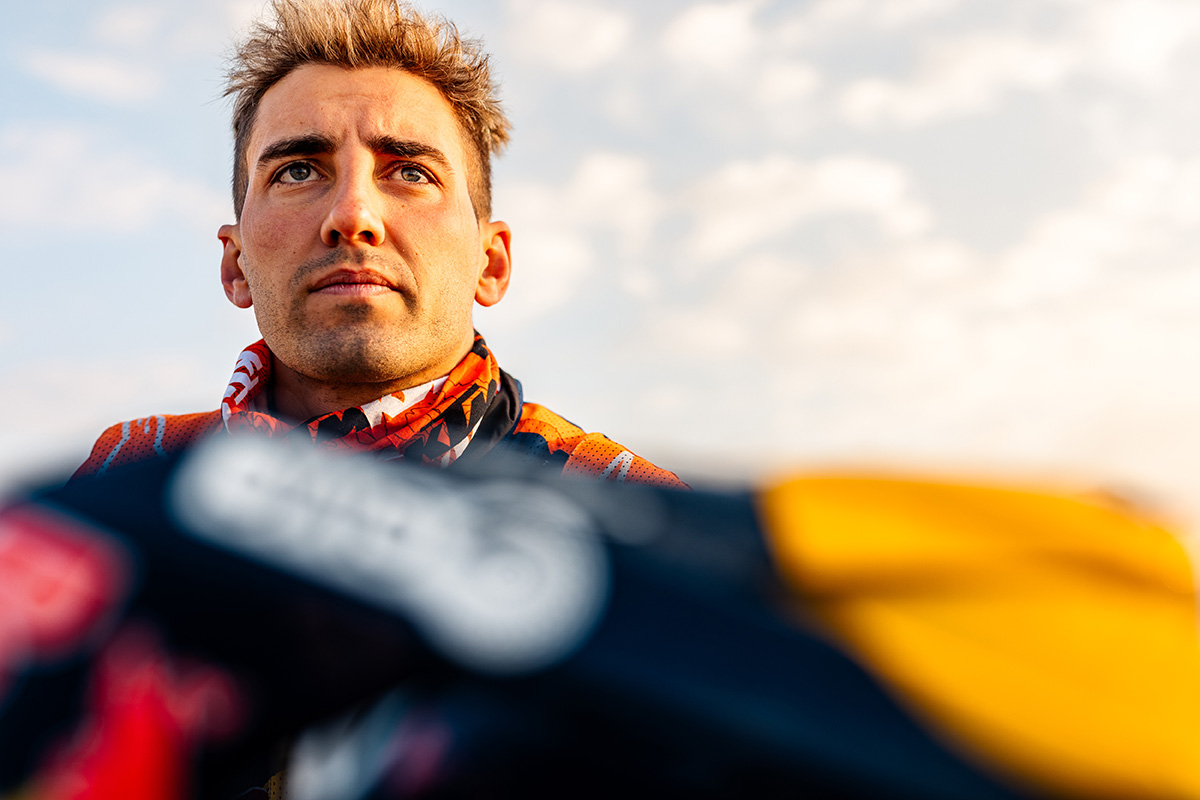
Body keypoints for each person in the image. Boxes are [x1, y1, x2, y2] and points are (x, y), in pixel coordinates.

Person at [73, 0, 683, 489]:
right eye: (297, 171)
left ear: (491, 263)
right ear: (235, 265)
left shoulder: (631, 513)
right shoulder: (120, 481)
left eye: (411, 172)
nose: (353, 216)